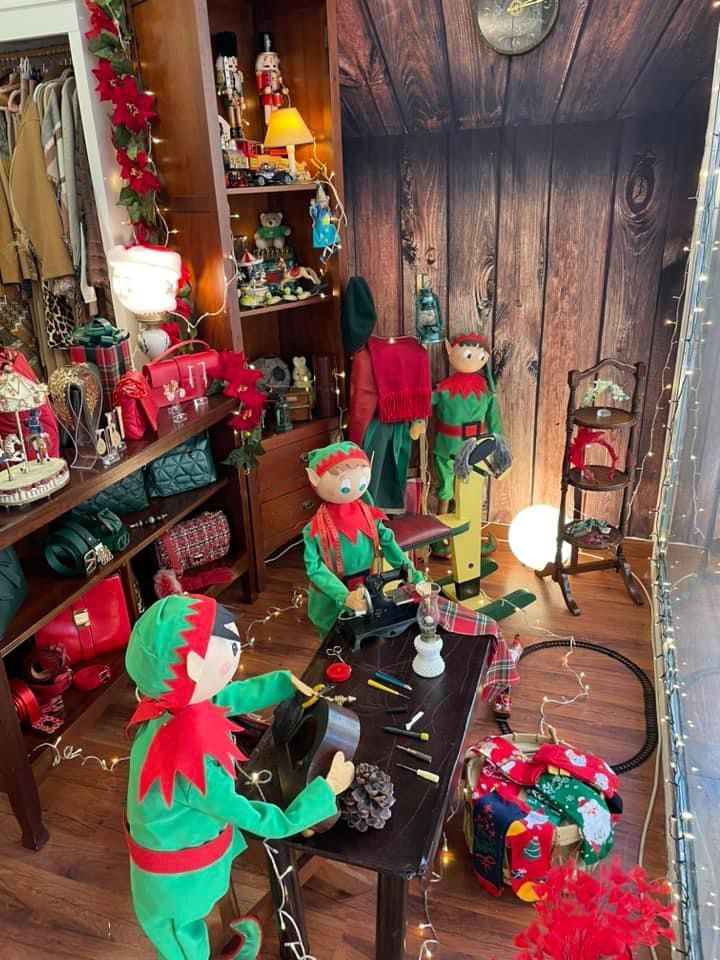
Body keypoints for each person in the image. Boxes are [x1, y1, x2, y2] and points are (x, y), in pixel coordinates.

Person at [124, 594, 354, 960]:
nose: (237, 655)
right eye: (230, 650)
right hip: (175, 888)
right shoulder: (192, 765)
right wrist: (325, 791)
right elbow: (267, 823)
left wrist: (282, 683)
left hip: (188, 849)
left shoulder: (173, 706)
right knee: (185, 945)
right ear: (197, 665)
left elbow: (222, 698)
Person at [303, 440, 424, 638]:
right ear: (315, 479)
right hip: (332, 597)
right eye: (345, 485)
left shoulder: (370, 516)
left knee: (371, 634)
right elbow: (314, 568)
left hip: (369, 586)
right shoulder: (314, 530)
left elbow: (389, 544)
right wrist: (343, 596)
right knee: (334, 642)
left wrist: (413, 575)